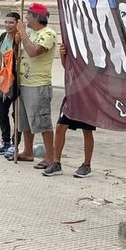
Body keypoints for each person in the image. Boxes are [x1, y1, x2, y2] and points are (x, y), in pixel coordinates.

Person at [6, 2, 57, 170]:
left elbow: (34, 52)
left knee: (42, 121)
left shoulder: (48, 34)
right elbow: (17, 53)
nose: (25, 17)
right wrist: (17, 40)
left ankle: (50, 157)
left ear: (37, 17)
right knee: (24, 121)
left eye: (28, 14)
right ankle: (28, 151)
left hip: (38, 84)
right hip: (23, 83)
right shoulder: (28, 33)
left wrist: (23, 35)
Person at [43, 44, 95, 177]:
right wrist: (62, 55)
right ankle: (56, 163)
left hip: (89, 96)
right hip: (73, 94)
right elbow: (68, 68)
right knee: (61, 126)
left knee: (87, 130)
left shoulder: (94, 49)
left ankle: (86, 164)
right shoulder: (74, 42)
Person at [0, 12, 21, 156]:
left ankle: (15, 144)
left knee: (17, 113)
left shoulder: (20, 38)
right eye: (6, 22)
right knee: (1, 111)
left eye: (11, 23)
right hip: (4, 79)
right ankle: (5, 141)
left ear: (17, 23)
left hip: (17, 79)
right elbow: (2, 58)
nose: (8, 25)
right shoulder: (3, 37)